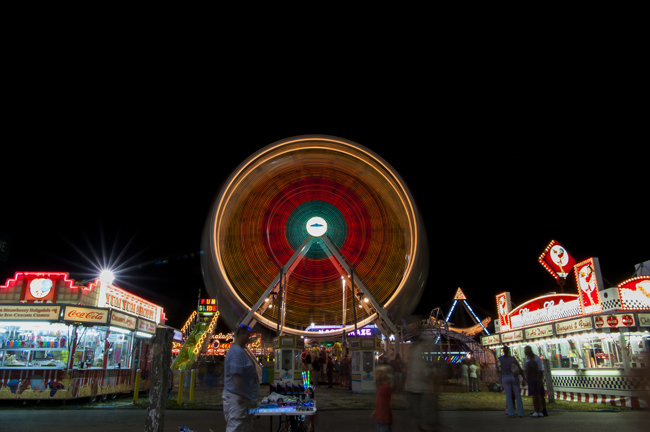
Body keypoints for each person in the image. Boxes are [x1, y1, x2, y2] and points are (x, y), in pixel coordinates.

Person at [223, 324, 260, 432]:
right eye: (247, 335)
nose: (248, 337)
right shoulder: (237, 352)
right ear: (241, 334)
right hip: (237, 399)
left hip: (241, 399)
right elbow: (236, 375)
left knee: (242, 427)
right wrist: (240, 395)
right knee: (236, 427)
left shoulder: (239, 351)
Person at [405, 331, 440, 431]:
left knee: (425, 415)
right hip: (413, 388)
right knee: (416, 415)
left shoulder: (425, 346)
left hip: (422, 388)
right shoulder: (414, 347)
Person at [499, 346, 525, 418]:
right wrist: (523, 377)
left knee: (508, 395)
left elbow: (498, 369)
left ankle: (511, 412)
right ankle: (520, 413)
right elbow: (519, 368)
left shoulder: (500, 359)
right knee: (517, 395)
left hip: (505, 377)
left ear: (503, 351)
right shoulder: (513, 359)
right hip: (514, 377)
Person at [372, 360, 394, 431]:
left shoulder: (385, 388)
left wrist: (383, 415)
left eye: (377, 373)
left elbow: (385, 403)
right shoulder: (382, 387)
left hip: (383, 418)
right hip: (381, 417)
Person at [524, 346, 544, 417]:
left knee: (536, 395)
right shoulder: (535, 358)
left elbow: (540, 370)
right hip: (535, 378)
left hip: (533, 378)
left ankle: (537, 410)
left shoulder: (529, 359)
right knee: (537, 395)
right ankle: (539, 411)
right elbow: (540, 369)